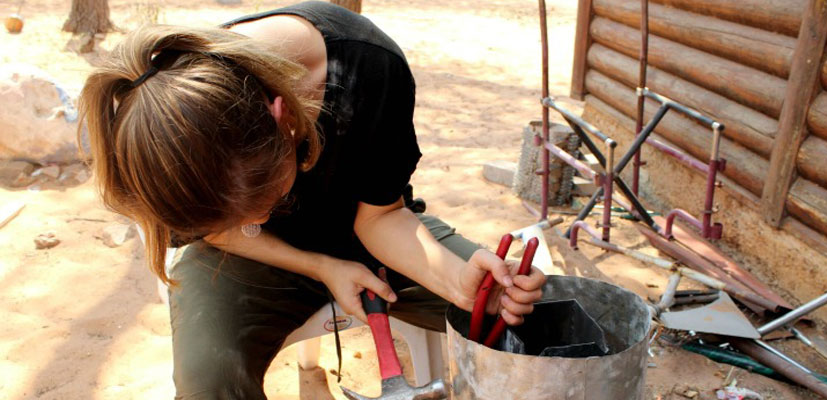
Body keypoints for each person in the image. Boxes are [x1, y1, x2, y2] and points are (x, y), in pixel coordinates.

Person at [78, 2, 546, 399]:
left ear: (282, 115)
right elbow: (224, 233)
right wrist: (321, 266)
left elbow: (381, 217)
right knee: (208, 381)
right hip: (244, 253)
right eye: (245, 211)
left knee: (535, 320)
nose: (259, 216)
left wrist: (461, 284)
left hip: (371, 229)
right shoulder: (167, 142)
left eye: (268, 198)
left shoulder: (369, 65)